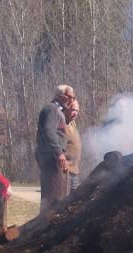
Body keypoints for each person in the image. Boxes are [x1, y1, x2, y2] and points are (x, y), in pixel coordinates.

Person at [36, 85, 74, 215]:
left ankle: (46, 221)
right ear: (61, 96)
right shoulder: (53, 110)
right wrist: (59, 153)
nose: (72, 100)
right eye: (70, 97)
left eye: (73, 98)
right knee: (54, 196)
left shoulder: (57, 111)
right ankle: (47, 224)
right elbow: (48, 131)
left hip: (50, 156)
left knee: (55, 193)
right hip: (51, 157)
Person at [62, 92, 83, 191]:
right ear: (66, 108)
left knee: (73, 202)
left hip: (74, 170)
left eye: (77, 111)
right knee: (63, 201)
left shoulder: (72, 124)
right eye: (73, 110)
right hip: (65, 171)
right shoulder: (61, 123)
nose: (76, 113)